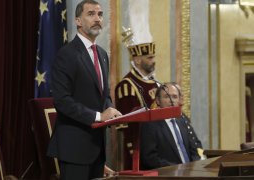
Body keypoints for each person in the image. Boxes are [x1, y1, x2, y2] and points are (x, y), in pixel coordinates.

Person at [47, 0, 122, 179]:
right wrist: (98, 116)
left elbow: (104, 94)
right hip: (74, 149)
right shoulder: (67, 54)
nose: (97, 18)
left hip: (97, 148)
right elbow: (62, 100)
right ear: (78, 21)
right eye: (91, 14)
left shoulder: (102, 54)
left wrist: (111, 111)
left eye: (100, 14)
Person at [115, 28, 159, 169]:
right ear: (138, 60)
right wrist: (136, 154)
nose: (154, 61)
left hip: (160, 145)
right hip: (141, 149)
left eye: (153, 57)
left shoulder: (156, 83)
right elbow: (128, 126)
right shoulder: (127, 86)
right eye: (150, 58)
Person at [140, 82, 202, 169]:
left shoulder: (182, 121)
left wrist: (193, 168)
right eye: (166, 97)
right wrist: (178, 168)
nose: (171, 100)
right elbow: (149, 158)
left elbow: (194, 150)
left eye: (175, 97)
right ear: (158, 100)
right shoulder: (150, 124)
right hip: (169, 174)